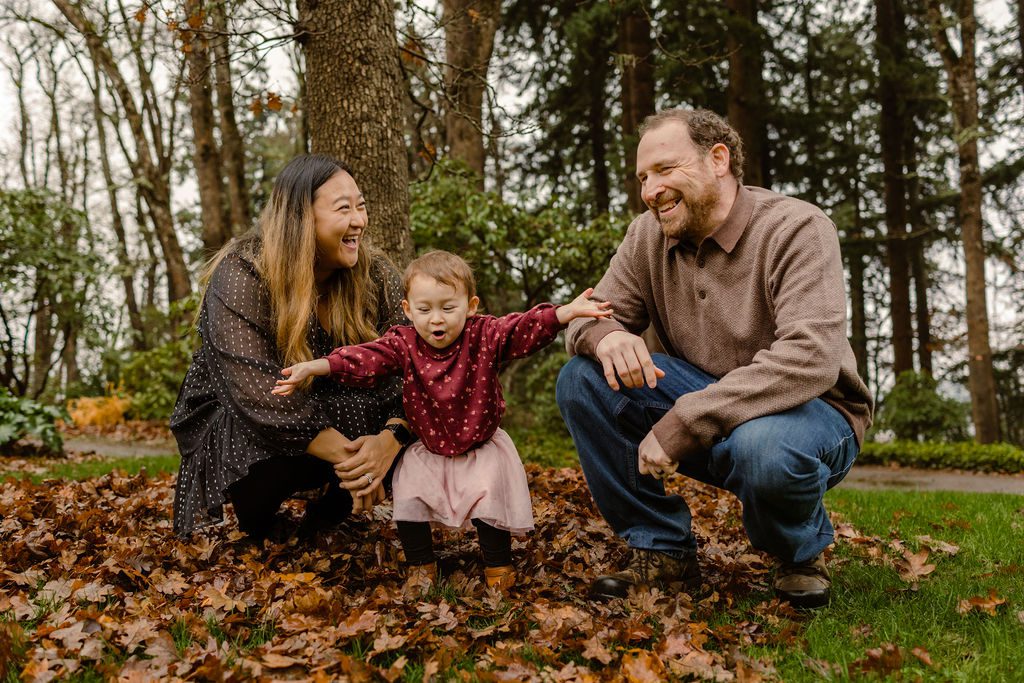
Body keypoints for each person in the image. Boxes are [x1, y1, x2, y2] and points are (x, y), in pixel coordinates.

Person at [556, 108, 873, 609]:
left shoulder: (797, 228)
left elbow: (812, 356)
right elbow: (583, 317)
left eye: (664, 170)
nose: (650, 190)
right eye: (642, 177)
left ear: (718, 159)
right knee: (582, 378)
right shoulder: (647, 235)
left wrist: (689, 418)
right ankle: (662, 551)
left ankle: (797, 553)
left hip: (811, 411)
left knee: (762, 448)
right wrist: (606, 336)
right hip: (703, 398)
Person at [273, 250, 612, 592]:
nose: (437, 319)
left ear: (471, 305)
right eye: (424, 309)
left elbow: (521, 328)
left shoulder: (484, 335)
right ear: (407, 310)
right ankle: (421, 564)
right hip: (429, 448)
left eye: (448, 308)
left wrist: (565, 313)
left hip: (482, 447)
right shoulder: (404, 343)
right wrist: (317, 365)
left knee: (488, 498)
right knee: (410, 494)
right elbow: (367, 358)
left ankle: (498, 564)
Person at [171, 154, 414, 540]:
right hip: (251, 419)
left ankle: (328, 517)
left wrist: (388, 443)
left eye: (361, 207)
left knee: (408, 402)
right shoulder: (242, 273)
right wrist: (360, 463)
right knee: (244, 423)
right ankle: (259, 520)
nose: (359, 221)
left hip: (338, 411)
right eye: (344, 209)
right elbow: (255, 392)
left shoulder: (376, 274)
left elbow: (421, 363)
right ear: (301, 217)